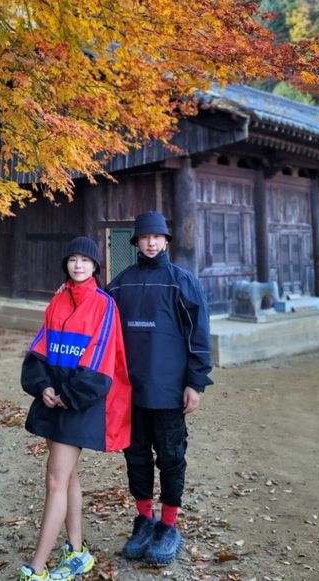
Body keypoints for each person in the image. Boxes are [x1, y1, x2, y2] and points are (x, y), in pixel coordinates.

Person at [19, 236, 132, 581]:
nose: (78, 265)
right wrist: (44, 387)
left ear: (96, 266)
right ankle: (78, 551)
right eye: (73, 259)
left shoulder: (103, 304)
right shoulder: (57, 302)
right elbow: (39, 348)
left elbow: (100, 362)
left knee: (54, 479)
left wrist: (66, 394)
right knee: (66, 477)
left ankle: (35, 568)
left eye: (85, 260)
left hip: (78, 403)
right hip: (53, 397)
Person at [106, 211, 213, 567]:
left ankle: (168, 525)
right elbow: (97, 318)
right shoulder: (120, 284)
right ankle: (144, 520)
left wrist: (195, 383)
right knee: (135, 457)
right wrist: (69, 288)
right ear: (135, 242)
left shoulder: (182, 282)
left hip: (168, 391)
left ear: (166, 241)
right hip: (129, 391)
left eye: (157, 236)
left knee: (170, 456)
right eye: (145, 237)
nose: (151, 242)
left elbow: (199, 337)